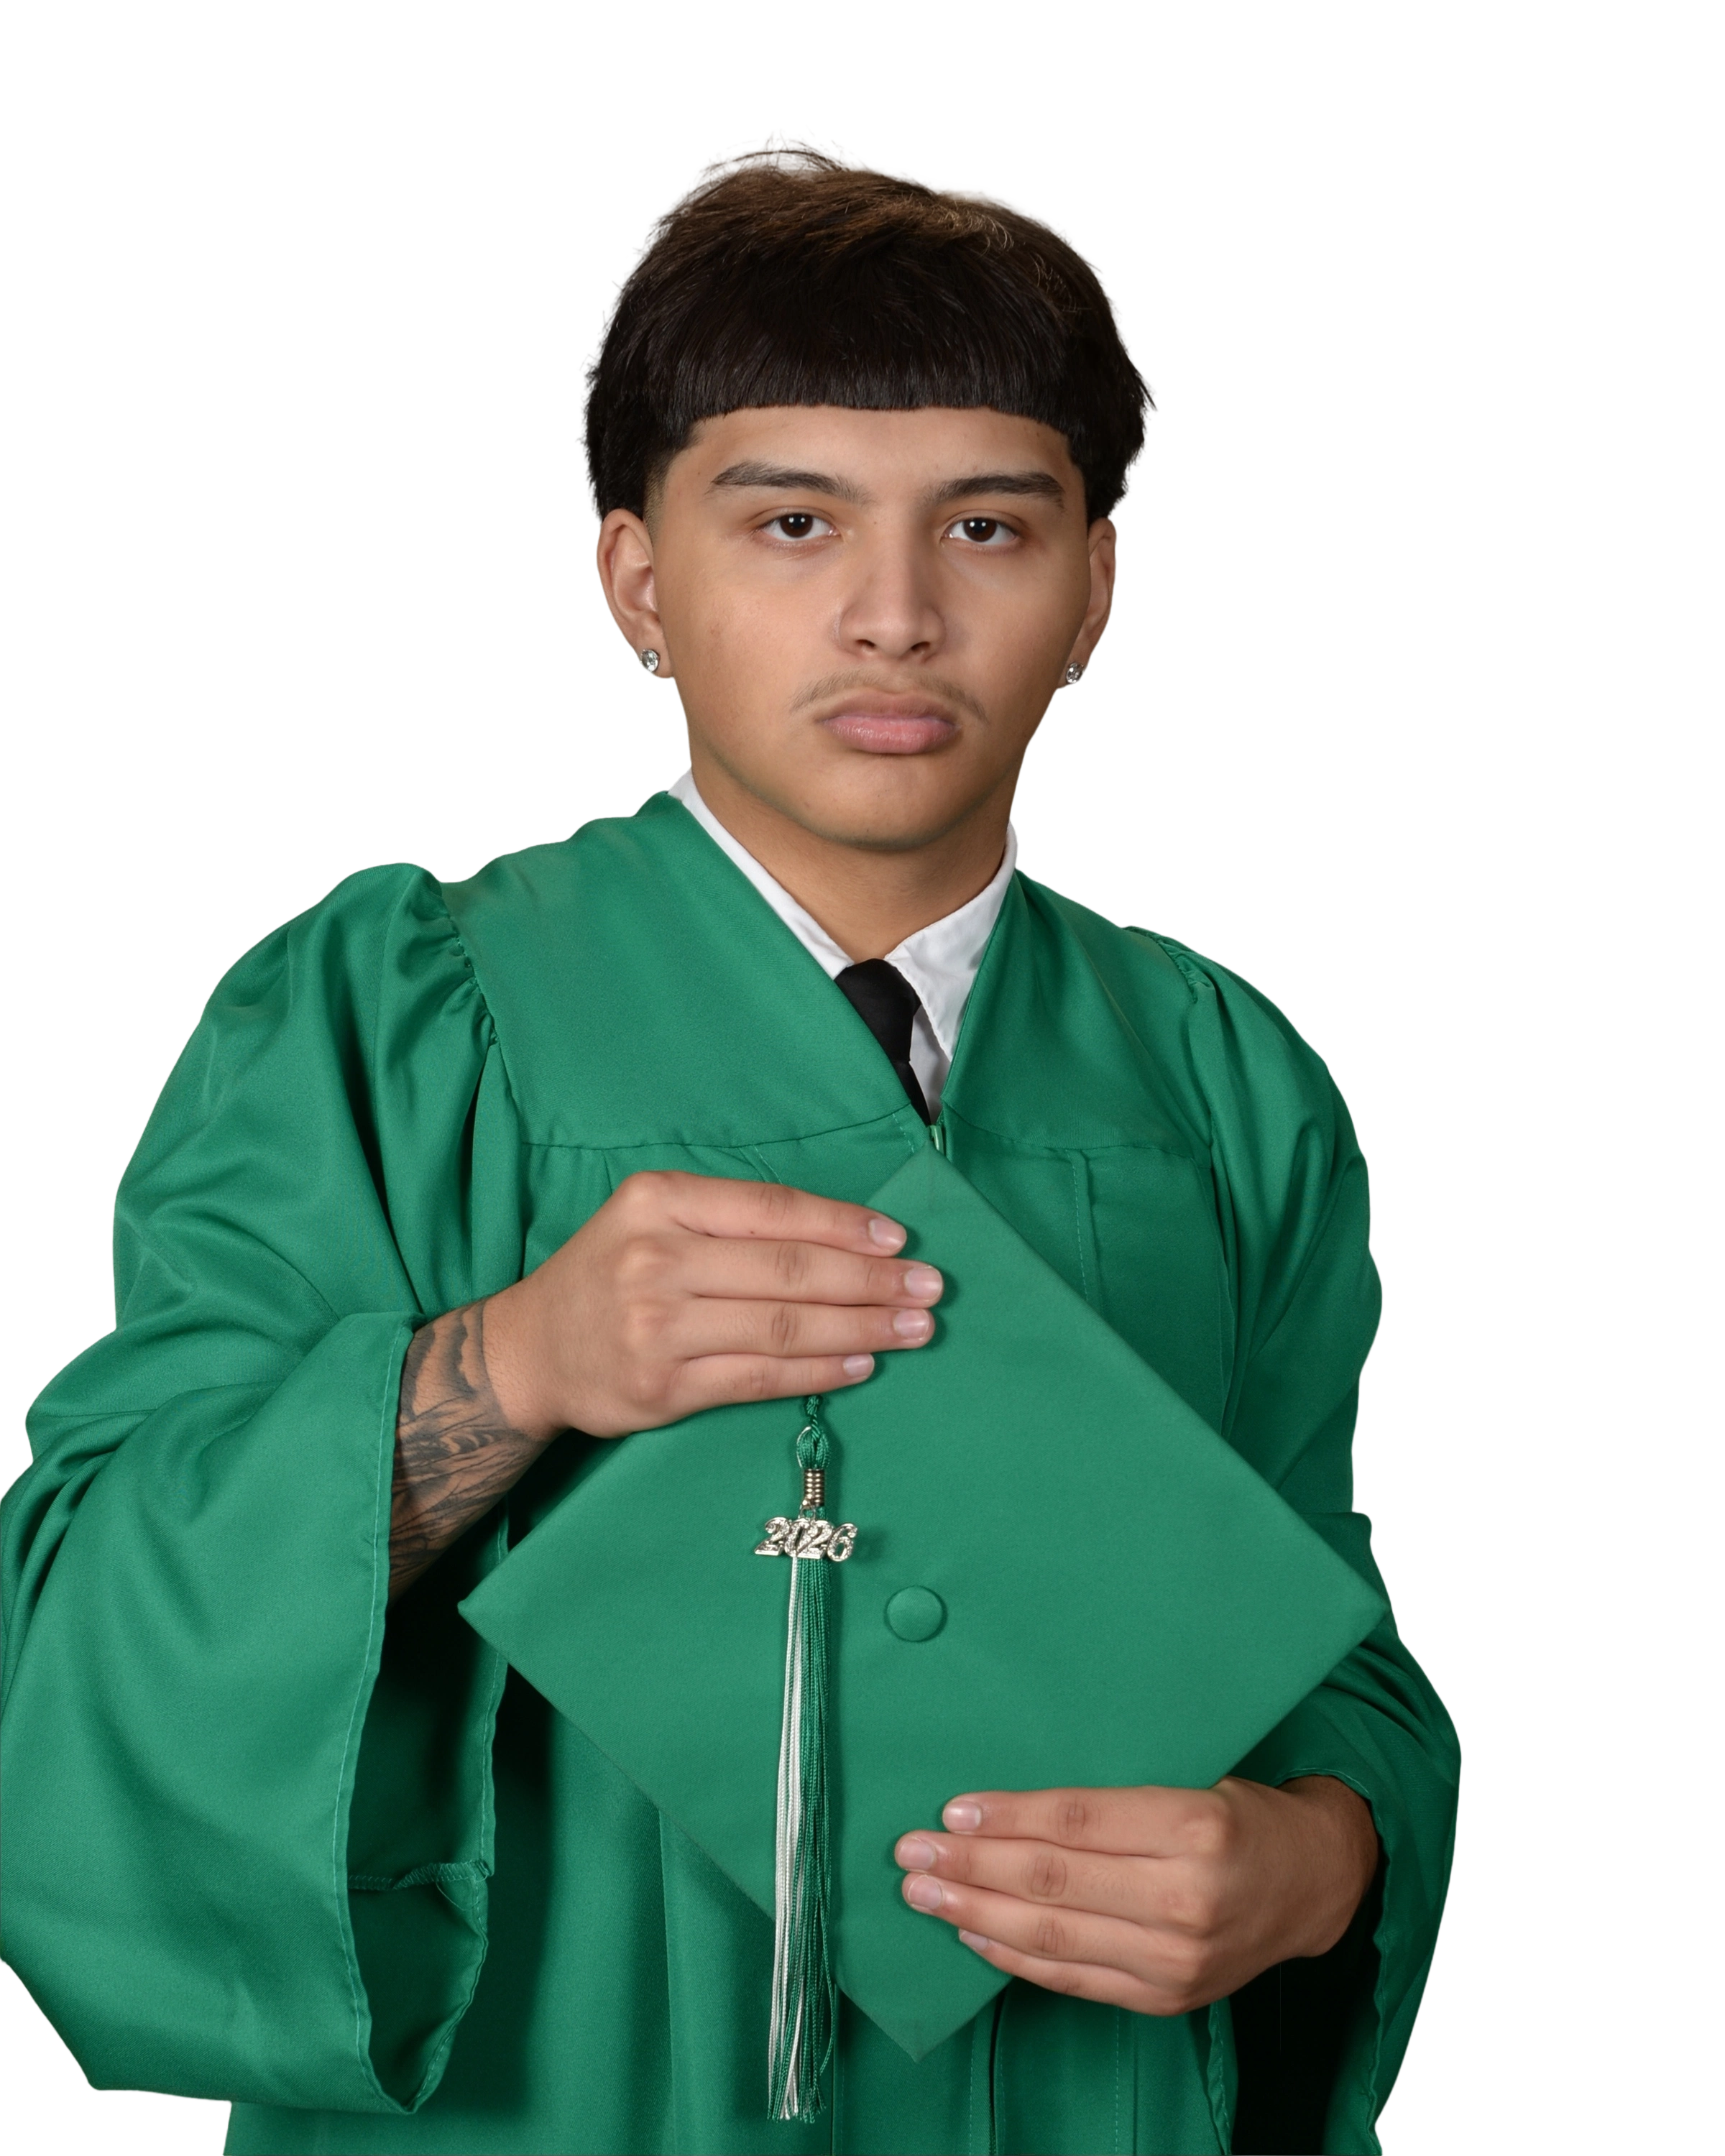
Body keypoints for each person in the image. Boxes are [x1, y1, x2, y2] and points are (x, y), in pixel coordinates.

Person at [2, 127, 1460, 2155]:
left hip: (1074, 2098)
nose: (894, 616)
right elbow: (105, 1584)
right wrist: (508, 1365)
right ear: (637, 581)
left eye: (987, 526)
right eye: (791, 522)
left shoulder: (1225, 1079)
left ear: (1096, 590)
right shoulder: (385, 1019)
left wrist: (1316, 1858)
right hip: (547, 2100)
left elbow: (1320, 1625)